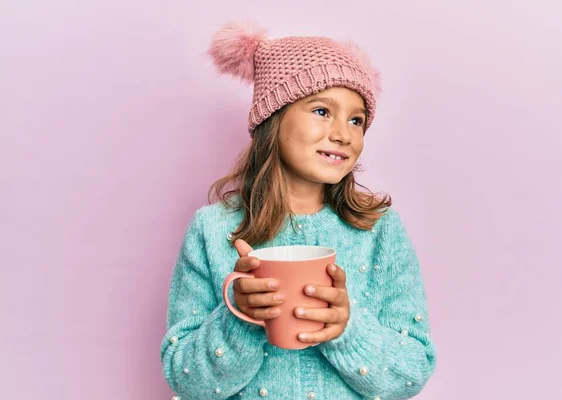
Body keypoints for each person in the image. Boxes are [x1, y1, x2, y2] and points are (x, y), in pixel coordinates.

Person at [160, 20, 437, 400]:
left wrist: (347, 329)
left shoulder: (379, 230)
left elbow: (411, 372)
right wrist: (239, 318)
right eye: (322, 111)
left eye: (356, 120)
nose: (344, 133)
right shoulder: (212, 230)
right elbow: (186, 380)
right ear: (273, 117)